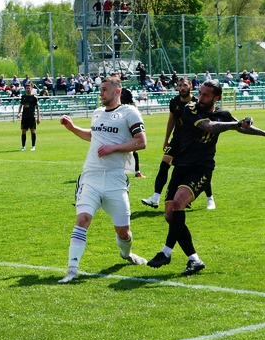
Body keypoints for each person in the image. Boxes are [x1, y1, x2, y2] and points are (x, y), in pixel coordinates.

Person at [147, 80, 265, 275]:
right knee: (170, 216)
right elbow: (210, 126)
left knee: (178, 203)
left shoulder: (223, 115)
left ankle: (166, 252)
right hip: (181, 166)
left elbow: (241, 127)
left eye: (206, 95)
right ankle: (194, 260)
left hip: (201, 168)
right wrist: (237, 123)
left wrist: (264, 133)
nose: (200, 98)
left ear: (216, 97)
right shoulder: (190, 109)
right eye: (200, 93)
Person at [57, 74, 148, 283]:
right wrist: (72, 128)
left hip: (115, 178)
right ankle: (72, 270)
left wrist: (114, 148)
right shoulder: (97, 113)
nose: (101, 92)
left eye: (105, 89)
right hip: (91, 176)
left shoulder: (129, 112)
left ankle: (126, 254)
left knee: (123, 232)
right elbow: (93, 135)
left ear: (117, 91)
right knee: (82, 219)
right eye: (100, 88)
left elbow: (141, 142)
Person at [141, 77, 216, 210]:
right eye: (180, 85)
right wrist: (166, 139)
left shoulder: (198, 103)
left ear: (191, 87)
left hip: (191, 142)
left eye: (185, 85)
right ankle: (155, 198)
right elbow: (171, 120)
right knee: (164, 165)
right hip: (177, 140)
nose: (182, 88)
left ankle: (210, 199)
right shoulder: (174, 102)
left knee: (198, 168)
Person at [120, 86, 144, 177]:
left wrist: (136, 115)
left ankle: (137, 171)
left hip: (128, 120)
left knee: (134, 148)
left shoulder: (127, 91)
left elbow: (133, 103)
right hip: (118, 121)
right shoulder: (112, 91)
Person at [17, 81, 40, 151]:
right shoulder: (23, 97)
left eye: (29, 88)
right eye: (26, 88)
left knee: (33, 131)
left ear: (31, 88)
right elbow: (21, 105)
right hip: (24, 117)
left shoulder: (34, 98)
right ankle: (23, 146)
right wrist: (19, 113)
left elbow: (38, 107)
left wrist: (38, 118)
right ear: (25, 89)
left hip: (32, 117)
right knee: (23, 131)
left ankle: (33, 146)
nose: (28, 89)